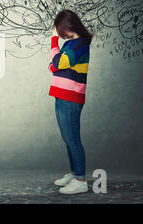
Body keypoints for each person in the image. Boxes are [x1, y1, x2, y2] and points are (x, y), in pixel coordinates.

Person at [48, 10, 93, 195]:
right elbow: (53, 66)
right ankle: (75, 174)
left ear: (67, 26)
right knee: (67, 138)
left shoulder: (81, 43)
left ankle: (81, 180)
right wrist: (56, 63)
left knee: (73, 139)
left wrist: (53, 44)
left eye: (59, 29)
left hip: (71, 97)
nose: (58, 33)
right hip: (61, 94)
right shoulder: (69, 44)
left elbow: (58, 63)